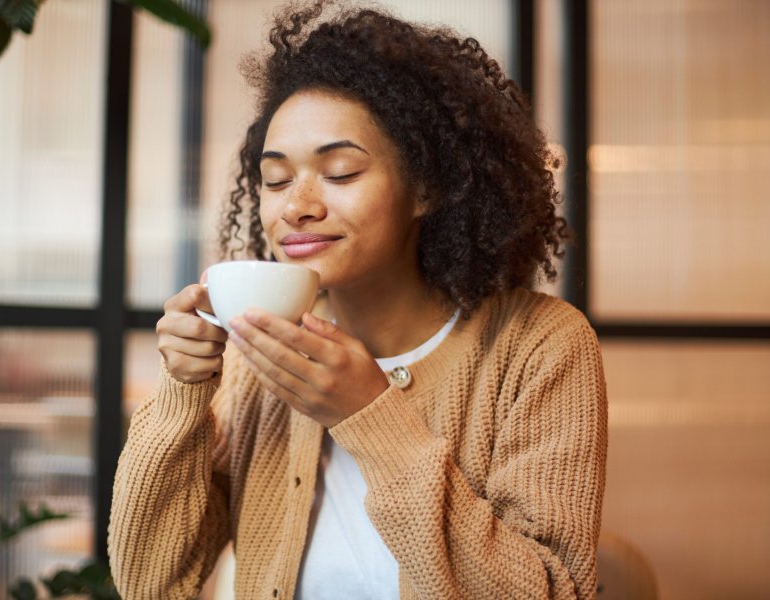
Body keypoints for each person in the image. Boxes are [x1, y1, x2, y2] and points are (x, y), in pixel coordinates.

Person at [108, 1, 607, 599]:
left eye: (341, 172)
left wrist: (370, 414)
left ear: (427, 187)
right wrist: (183, 392)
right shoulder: (255, 358)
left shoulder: (538, 347)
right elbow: (152, 583)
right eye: (275, 180)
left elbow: (550, 591)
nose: (297, 207)